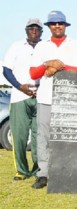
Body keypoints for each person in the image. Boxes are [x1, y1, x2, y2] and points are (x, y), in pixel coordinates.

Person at [29, 10, 77, 189]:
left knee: (67, 138)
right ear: (49, 27)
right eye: (53, 24)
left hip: (69, 98)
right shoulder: (41, 46)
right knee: (43, 137)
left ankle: (66, 172)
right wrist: (48, 63)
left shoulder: (75, 44)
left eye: (60, 23)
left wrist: (60, 67)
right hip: (46, 97)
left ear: (65, 25)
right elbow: (33, 73)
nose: (57, 26)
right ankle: (43, 174)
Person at [2, 18, 43, 181]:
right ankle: (21, 170)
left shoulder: (45, 47)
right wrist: (20, 87)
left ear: (41, 31)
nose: (34, 31)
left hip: (40, 96)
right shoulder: (16, 47)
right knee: (19, 136)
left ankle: (37, 169)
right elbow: (6, 71)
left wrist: (41, 88)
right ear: (26, 30)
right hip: (20, 96)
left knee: (38, 136)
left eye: (37, 28)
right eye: (31, 28)